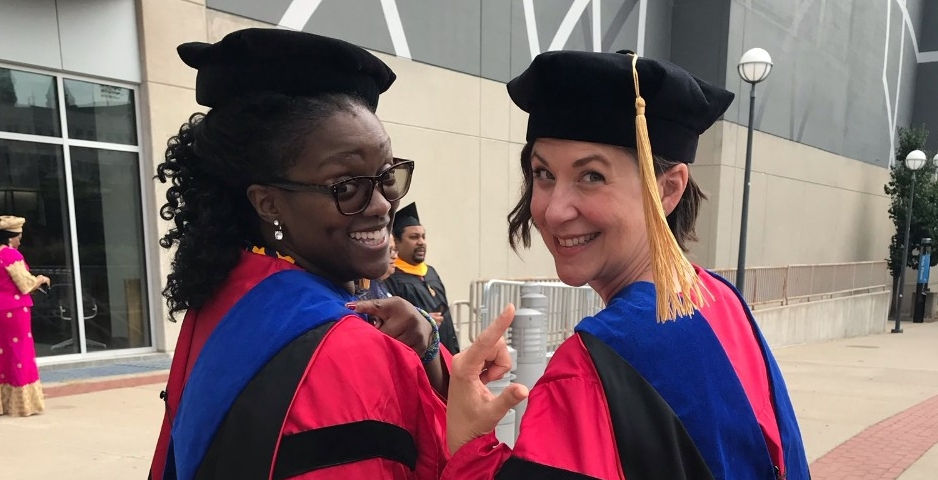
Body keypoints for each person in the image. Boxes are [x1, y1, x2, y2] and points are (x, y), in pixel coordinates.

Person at [444, 50, 811, 480]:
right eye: (543, 173)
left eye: (592, 176)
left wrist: (469, 442)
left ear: (668, 189)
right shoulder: (717, 299)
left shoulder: (593, 366)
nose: (554, 209)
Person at [148, 28, 450, 480]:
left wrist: (428, 353)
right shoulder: (343, 351)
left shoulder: (230, 296)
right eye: (345, 186)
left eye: (386, 174)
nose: (384, 204)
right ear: (268, 202)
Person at [385, 203, 460, 353]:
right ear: (397, 242)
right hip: (420, 356)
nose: (421, 242)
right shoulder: (391, 277)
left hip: (446, 349)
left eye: (423, 236)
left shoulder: (430, 272)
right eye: (414, 237)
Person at [0, 215, 50, 417]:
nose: (20, 240)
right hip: (14, 310)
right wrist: (41, 279)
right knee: (21, 352)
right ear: (11, 237)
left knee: (3, 353)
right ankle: (23, 405)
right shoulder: (11, 255)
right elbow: (25, 284)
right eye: (19, 236)